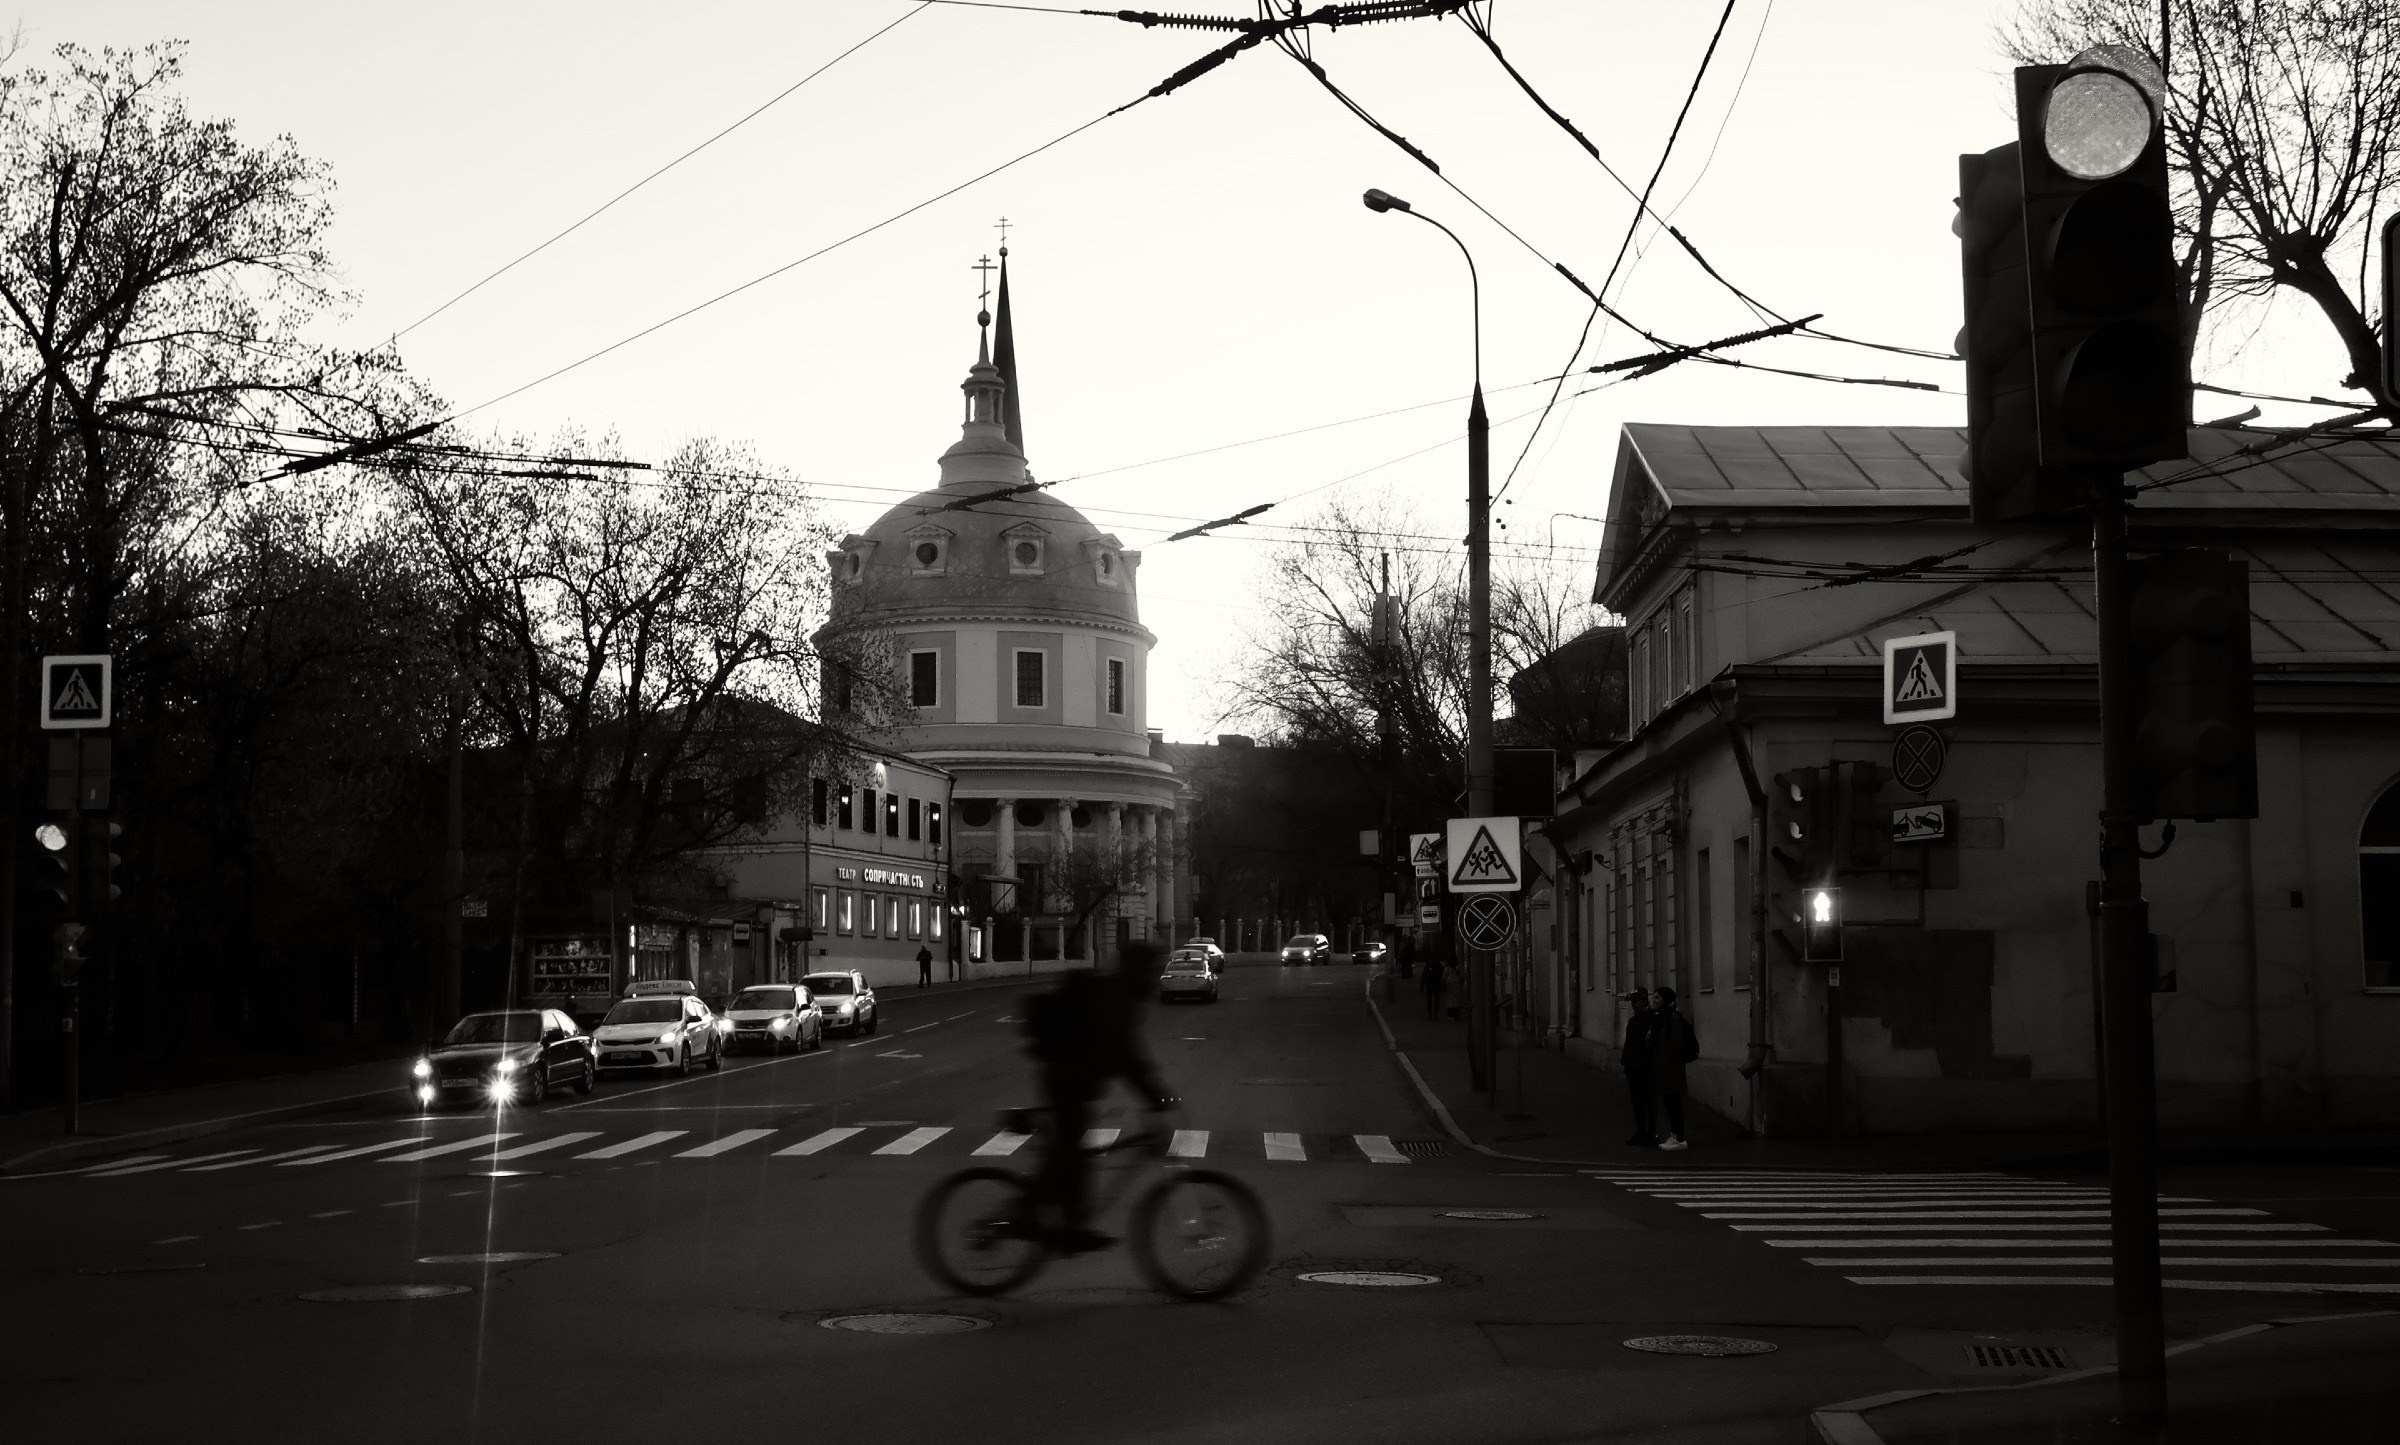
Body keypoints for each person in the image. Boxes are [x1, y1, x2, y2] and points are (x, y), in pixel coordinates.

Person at [1021, 941, 1175, 1251]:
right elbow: (1125, 1055)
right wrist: (1155, 1095)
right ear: (1137, 970)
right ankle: (1059, 1226)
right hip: (1065, 1079)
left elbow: (1128, 1054)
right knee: (1073, 1159)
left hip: (1074, 1081)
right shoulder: (1117, 997)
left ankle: (1054, 1217)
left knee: (1070, 1157)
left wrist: (1152, 1089)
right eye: (1151, 970)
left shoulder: (1121, 995)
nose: (1155, 977)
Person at [1649, 986, 1698, 1151]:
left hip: (1671, 1068)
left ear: (1666, 1000)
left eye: (1657, 998)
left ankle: (1679, 1137)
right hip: (1665, 1067)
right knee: (1669, 1103)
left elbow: (1674, 1044)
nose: (1653, 1001)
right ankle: (1675, 1134)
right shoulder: (1662, 1017)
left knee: (1673, 1103)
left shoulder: (1672, 1018)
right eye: (1653, 997)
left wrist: (1665, 1061)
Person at [1619, 989, 1658, 1146]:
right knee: (1637, 1101)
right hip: (1633, 1066)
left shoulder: (1651, 1020)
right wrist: (1625, 1060)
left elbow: (1651, 1043)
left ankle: (1651, 1132)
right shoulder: (1634, 1020)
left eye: (1636, 1001)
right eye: (1633, 1002)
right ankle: (1641, 1130)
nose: (1634, 1005)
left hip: (1646, 1066)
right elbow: (1629, 1043)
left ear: (1644, 1001)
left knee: (1648, 1100)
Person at [1420, 953, 1447, 1021]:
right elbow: (1443, 974)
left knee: (1429, 1000)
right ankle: (1436, 1014)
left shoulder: (1427, 965)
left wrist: (1422, 985)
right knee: (1436, 1000)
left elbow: (1424, 975)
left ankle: (1430, 1014)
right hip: (1437, 984)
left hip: (1429, 984)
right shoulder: (1439, 965)